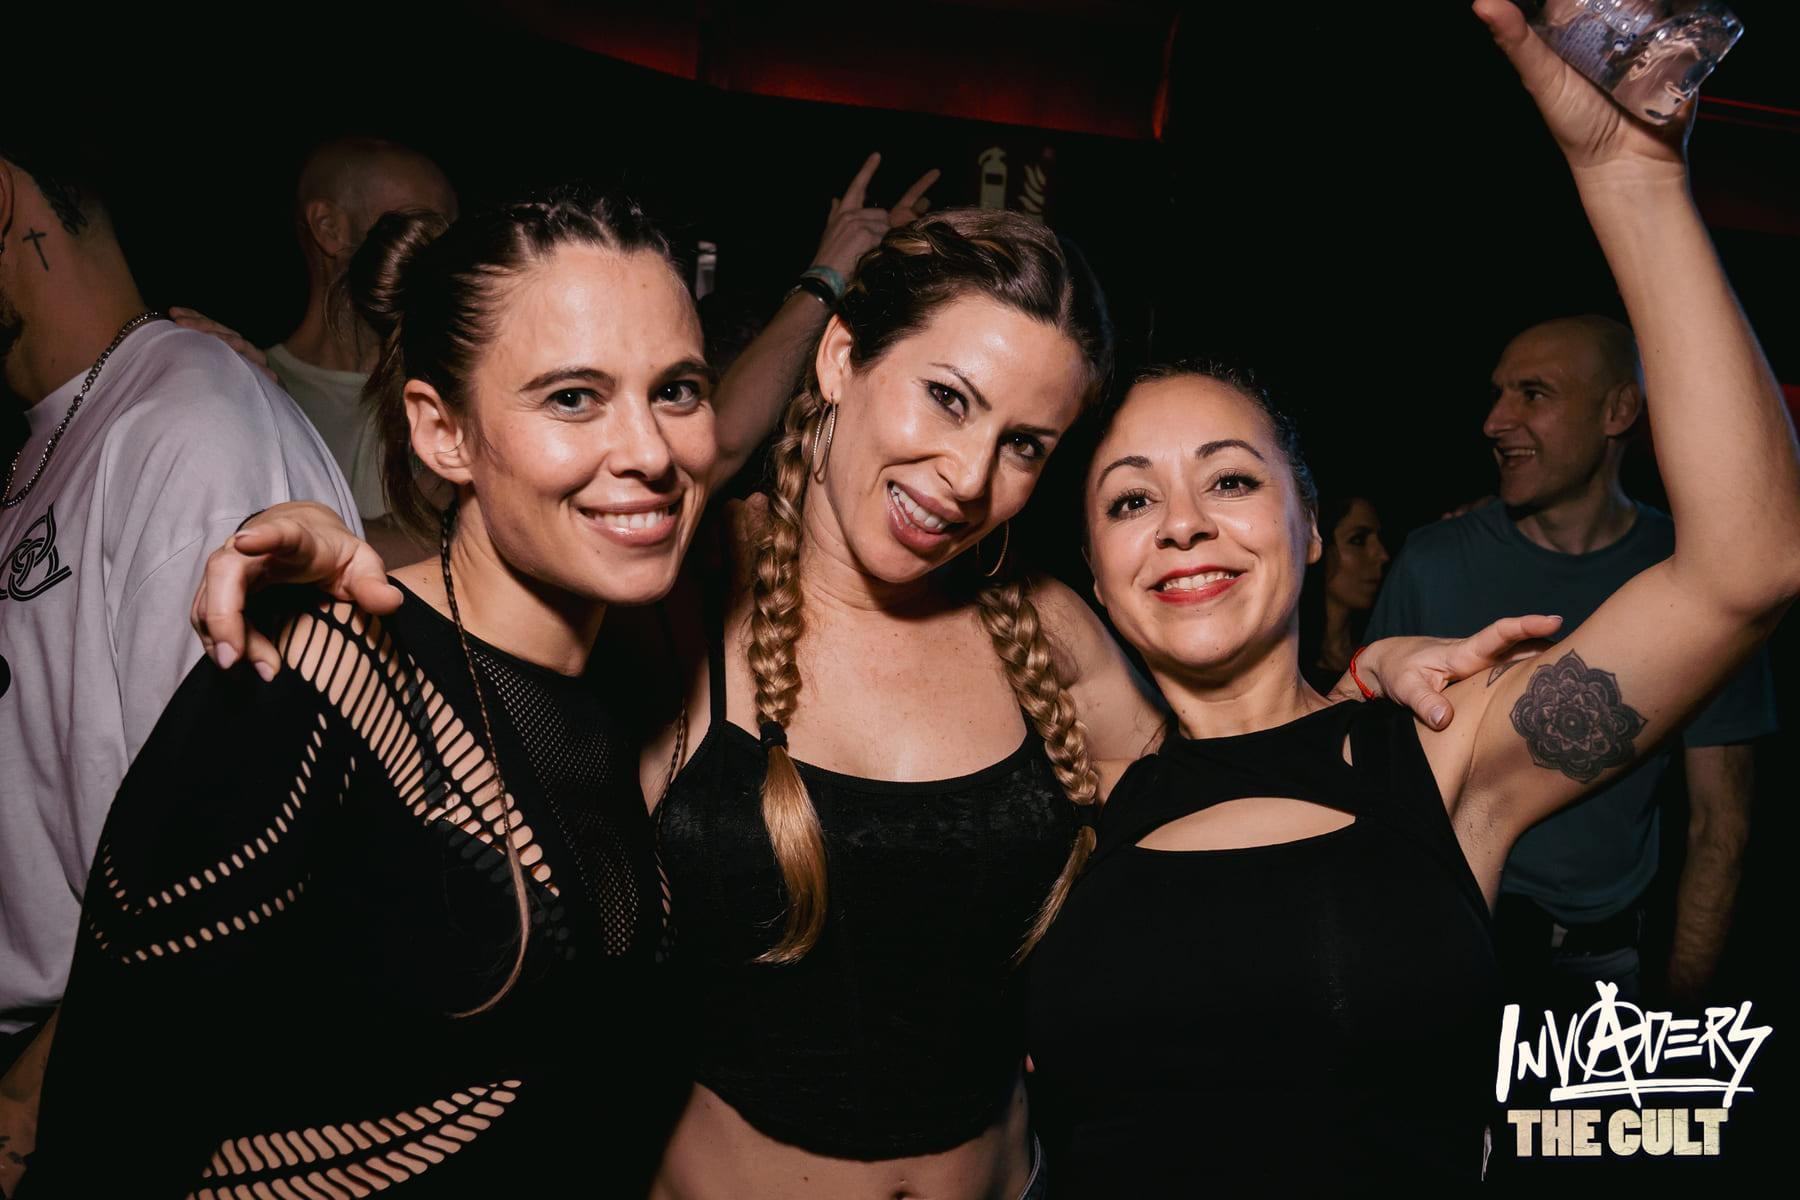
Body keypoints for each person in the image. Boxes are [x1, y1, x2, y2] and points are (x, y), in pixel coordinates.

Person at [188, 205, 1539, 1199]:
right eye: (944, 397)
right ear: (838, 360)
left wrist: (1362, 683)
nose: (967, 475)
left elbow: (1223, 777)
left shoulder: (1044, 628)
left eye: (1025, 444)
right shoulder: (679, 592)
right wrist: (350, 566)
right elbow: (498, 621)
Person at [1025, 2, 1800, 1189]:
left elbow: (1748, 564)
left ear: (1309, 528)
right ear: (1092, 570)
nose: (1182, 522)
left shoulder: (1440, 752)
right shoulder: (1083, 760)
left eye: (1230, 480)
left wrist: (1632, 179)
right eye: (1131, 499)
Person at [23, 187, 722, 1197]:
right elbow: (109, 1125)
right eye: (573, 397)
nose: (650, 451)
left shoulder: (630, 674)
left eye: (679, 390)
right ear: (442, 432)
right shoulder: (308, 676)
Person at [0, 135, 359, 1188]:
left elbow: (226, 852)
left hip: (90, 1077)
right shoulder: (59, 431)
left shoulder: (188, 423)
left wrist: (28, 1106)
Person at [1366, 311, 1775, 1011]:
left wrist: (1677, 1022)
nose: (1495, 422)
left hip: (1604, 968)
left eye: (1533, 394)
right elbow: (1369, 780)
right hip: (1447, 948)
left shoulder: (1691, 581)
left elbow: (1720, 828)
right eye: (1497, 394)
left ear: (1618, 411)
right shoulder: (1434, 561)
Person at [1298, 489, 1389, 693]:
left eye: (1379, 539)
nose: (1381, 555)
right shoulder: (1289, 664)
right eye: (1358, 540)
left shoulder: (1381, 645)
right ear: (1317, 547)